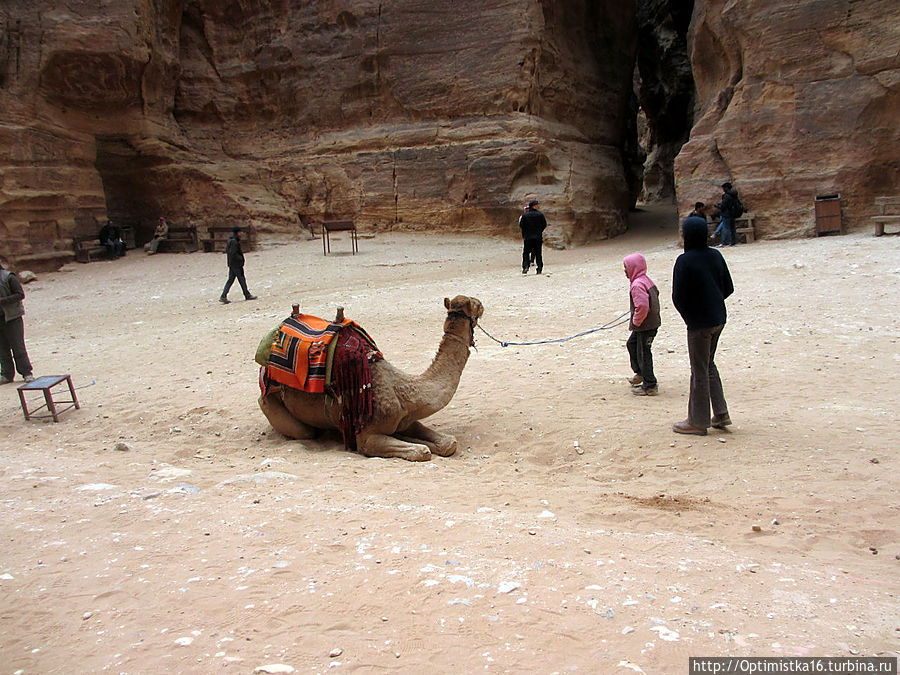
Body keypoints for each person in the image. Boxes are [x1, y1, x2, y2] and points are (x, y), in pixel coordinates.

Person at [671, 213, 734, 435]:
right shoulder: (715, 255)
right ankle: (721, 413)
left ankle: (697, 421)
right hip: (718, 319)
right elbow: (728, 288)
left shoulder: (684, 261)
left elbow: (678, 297)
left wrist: (692, 315)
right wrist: (712, 302)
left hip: (699, 324)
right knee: (708, 365)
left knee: (699, 369)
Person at [623, 253, 661, 396]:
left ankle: (650, 385)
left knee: (644, 353)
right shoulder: (645, 280)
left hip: (645, 325)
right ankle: (640, 373)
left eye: (626, 267)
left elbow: (643, 306)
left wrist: (636, 321)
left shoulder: (637, 284)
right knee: (632, 344)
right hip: (650, 323)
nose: (625, 271)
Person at [0, 261, 35, 384]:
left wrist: (2, 301)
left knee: (18, 346)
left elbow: (20, 294)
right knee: (2, 348)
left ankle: (26, 372)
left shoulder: (9, 277)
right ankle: (7, 374)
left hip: (12, 317)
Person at [219, 226, 257, 304]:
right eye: (240, 232)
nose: (241, 233)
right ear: (238, 232)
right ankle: (247, 295)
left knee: (231, 280)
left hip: (232, 264)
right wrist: (240, 260)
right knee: (241, 279)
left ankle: (223, 296)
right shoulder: (234, 241)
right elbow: (233, 253)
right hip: (236, 264)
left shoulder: (231, 240)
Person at [519, 200, 547, 274]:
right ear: (534, 206)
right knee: (538, 253)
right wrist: (539, 231)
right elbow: (544, 224)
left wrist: (525, 233)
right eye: (537, 205)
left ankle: (526, 266)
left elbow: (522, 225)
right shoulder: (540, 214)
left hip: (528, 237)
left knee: (526, 252)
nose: (538, 206)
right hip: (537, 237)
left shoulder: (525, 215)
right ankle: (539, 268)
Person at [716, 182, 741, 246]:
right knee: (732, 228)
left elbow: (723, 206)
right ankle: (733, 242)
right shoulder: (734, 195)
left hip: (726, 214)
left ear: (726, 188)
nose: (723, 189)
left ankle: (724, 242)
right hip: (733, 214)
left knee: (726, 228)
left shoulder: (726, 196)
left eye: (723, 188)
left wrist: (718, 206)